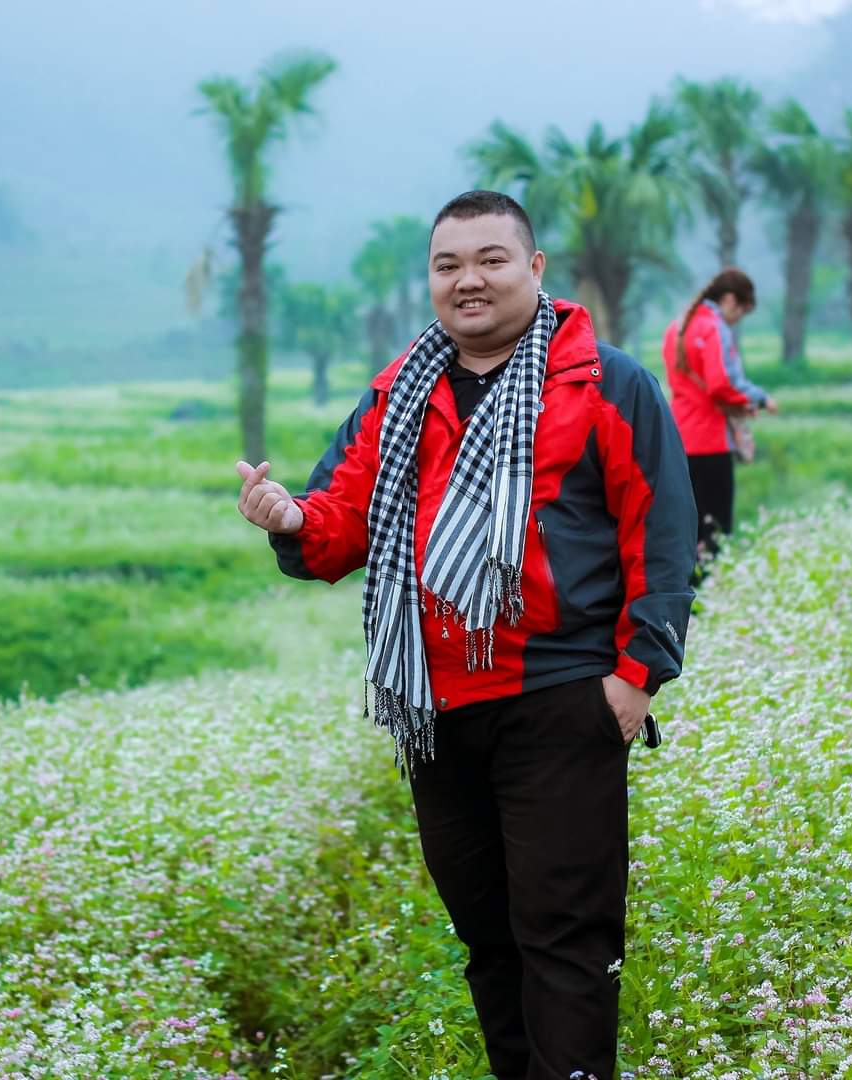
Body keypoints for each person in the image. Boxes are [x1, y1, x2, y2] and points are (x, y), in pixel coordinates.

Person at [235, 190, 697, 1080]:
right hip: (437, 710)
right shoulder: (401, 389)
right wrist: (291, 517)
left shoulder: (605, 382)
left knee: (564, 936)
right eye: (448, 265)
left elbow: (663, 540)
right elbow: (346, 513)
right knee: (489, 940)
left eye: (489, 259)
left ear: (534, 269)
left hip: (560, 699)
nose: (467, 281)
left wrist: (635, 678)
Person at [661, 269, 778, 561]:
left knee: (688, 528)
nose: (737, 318)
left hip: (679, 440)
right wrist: (755, 400)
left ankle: (689, 598)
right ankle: (710, 596)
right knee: (715, 529)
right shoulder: (713, 328)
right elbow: (720, 384)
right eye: (741, 310)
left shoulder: (676, 327)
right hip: (711, 442)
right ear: (729, 299)